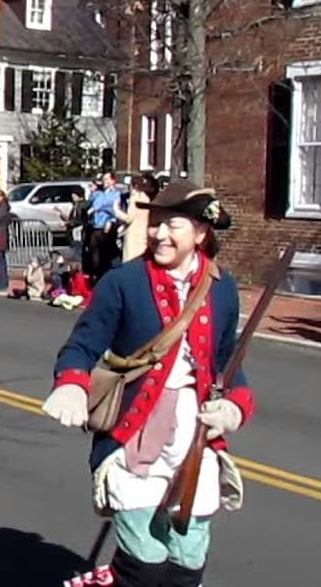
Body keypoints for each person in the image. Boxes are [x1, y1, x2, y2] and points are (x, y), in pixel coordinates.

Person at [41, 182, 249, 587]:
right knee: (144, 563)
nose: (159, 234)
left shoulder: (222, 288)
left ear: (201, 233)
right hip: (135, 430)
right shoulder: (124, 281)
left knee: (187, 559)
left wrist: (235, 405)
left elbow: (228, 362)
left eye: (173, 225)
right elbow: (82, 345)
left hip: (195, 434)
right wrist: (71, 384)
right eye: (155, 223)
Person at [114, 172, 161, 263]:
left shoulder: (135, 197)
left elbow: (129, 218)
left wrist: (116, 210)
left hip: (133, 235)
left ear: (134, 186)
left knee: (129, 261)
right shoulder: (146, 197)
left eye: (130, 185)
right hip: (143, 233)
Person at [87, 171, 122, 281]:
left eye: (107, 179)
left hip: (106, 226)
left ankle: (107, 276)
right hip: (95, 225)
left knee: (106, 253)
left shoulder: (115, 194)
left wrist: (110, 220)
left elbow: (111, 207)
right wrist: (92, 191)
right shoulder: (100, 193)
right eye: (103, 179)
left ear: (113, 181)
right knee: (94, 250)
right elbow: (92, 201)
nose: (104, 182)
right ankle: (97, 275)